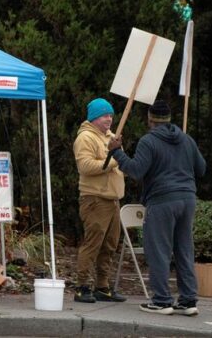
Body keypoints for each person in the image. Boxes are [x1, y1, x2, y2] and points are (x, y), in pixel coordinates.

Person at [108, 100, 206, 316]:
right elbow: (201, 168)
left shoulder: (148, 141)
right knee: (184, 249)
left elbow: (136, 170)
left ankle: (162, 301)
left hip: (162, 200)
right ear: (169, 119)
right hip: (188, 198)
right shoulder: (187, 139)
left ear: (150, 120)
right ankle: (188, 300)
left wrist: (117, 152)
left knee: (159, 251)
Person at [73, 98, 127, 303]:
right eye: (105, 115)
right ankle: (82, 286)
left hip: (113, 199)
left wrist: (120, 158)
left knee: (110, 245)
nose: (109, 119)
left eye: (111, 115)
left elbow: (119, 163)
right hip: (95, 199)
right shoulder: (85, 138)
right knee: (93, 244)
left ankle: (102, 286)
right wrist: (115, 159)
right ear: (94, 117)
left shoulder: (111, 137)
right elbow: (85, 166)